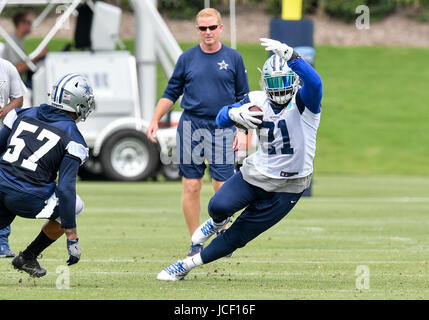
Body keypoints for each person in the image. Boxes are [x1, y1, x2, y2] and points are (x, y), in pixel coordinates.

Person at [157, 38, 323, 281]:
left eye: (284, 82)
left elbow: (316, 83)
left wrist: (292, 56)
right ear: (265, 83)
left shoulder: (305, 103)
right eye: (273, 83)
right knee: (217, 206)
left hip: (289, 185)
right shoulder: (256, 100)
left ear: (295, 81)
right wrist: (232, 113)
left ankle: (185, 265)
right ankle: (215, 222)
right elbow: (221, 118)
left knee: (237, 237)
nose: (278, 89)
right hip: (257, 173)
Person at [147, 8, 249, 257]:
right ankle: (196, 242)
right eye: (203, 28)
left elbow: (244, 99)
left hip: (223, 126)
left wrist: (244, 131)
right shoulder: (187, 58)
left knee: (222, 186)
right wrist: (154, 119)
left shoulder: (234, 58)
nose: (208, 32)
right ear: (197, 30)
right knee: (191, 185)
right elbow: (171, 92)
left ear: (220, 28)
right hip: (191, 125)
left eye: (212, 27)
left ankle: (223, 235)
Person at [0, 73, 95, 277]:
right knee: (75, 204)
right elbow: (66, 188)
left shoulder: (20, 113)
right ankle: (29, 256)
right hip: (28, 198)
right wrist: (72, 236)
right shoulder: (73, 136)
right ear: (77, 103)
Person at [0, 57, 27, 258]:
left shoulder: (6, 67)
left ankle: (2, 242)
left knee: (2, 192)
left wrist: (5, 111)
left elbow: (18, 98)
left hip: (2, 138)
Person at [2, 11, 48, 87]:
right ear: (21, 24)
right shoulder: (12, 42)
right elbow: (16, 69)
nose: (31, 25)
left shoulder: (18, 40)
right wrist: (38, 55)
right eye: (29, 22)